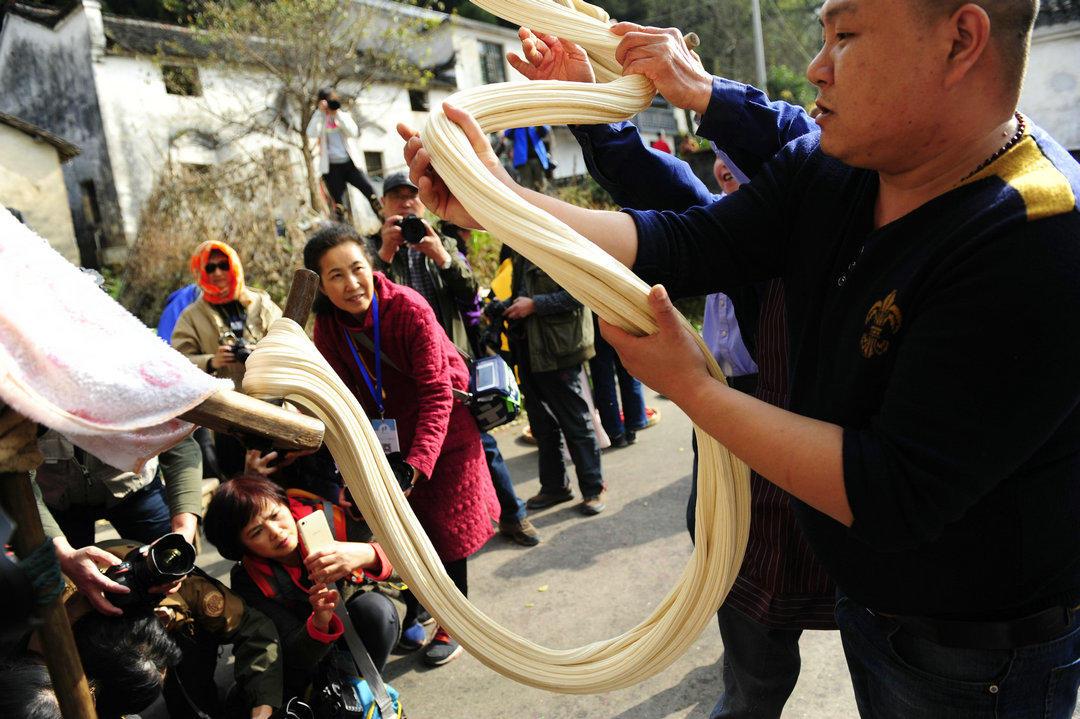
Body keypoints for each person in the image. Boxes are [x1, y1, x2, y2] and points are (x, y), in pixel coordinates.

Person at [399, 1, 1080, 714]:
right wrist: (501, 203)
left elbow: (892, 490)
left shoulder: (1035, 236)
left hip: (979, 652)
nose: (817, 68)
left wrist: (693, 388)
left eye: (844, 37)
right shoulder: (841, 167)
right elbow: (691, 241)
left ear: (960, 39)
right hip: (874, 603)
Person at [511, 28, 835, 718]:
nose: (722, 173)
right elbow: (654, 185)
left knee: (827, 592)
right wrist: (589, 104)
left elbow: (796, 145)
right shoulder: (723, 221)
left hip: (788, 435)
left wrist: (709, 94)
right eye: (718, 160)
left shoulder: (820, 215)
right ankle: (746, 694)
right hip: (723, 438)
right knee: (738, 587)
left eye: (737, 160)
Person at [304, 223, 500, 666]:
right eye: (335, 275)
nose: (351, 283)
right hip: (387, 437)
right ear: (321, 284)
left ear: (371, 265)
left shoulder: (408, 308)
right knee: (404, 534)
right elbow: (345, 401)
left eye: (356, 268)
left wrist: (416, 463)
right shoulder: (328, 328)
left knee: (447, 534)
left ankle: (455, 620)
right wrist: (354, 470)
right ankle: (417, 607)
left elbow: (438, 391)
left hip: (444, 434)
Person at [371, 172, 540, 547]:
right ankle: (428, 539)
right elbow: (364, 303)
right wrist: (383, 255)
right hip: (400, 372)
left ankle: (511, 515)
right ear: (383, 205)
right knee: (416, 452)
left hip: (450, 365)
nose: (405, 203)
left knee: (481, 444)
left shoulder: (442, 240)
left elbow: (470, 295)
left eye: (411, 196)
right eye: (395, 197)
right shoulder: (370, 251)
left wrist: (442, 256)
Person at [204, 475, 398, 698]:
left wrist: (369, 555)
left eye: (276, 515)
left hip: (362, 627)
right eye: (256, 532)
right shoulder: (248, 581)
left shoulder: (333, 518)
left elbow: (409, 570)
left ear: (286, 503)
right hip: (313, 654)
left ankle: (365, 688)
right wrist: (318, 624)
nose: (276, 532)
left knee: (375, 609)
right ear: (241, 547)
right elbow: (288, 651)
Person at [32, 431, 203, 616]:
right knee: (63, 599)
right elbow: (12, 474)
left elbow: (179, 442)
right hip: (53, 503)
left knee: (181, 578)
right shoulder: (14, 404)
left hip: (137, 489)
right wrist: (64, 554)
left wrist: (183, 531)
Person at [490, 245, 606, 515]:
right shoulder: (520, 249)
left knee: (576, 422)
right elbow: (523, 294)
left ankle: (593, 489)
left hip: (560, 351)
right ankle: (555, 487)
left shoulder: (558, 245)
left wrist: (535, 305)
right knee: (542, 425)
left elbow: (581, 294)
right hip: (530, 350)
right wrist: (507, 307)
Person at [172, 240, 283, 476]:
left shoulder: (261, 302)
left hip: (271, 406)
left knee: (282, 475)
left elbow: (288, 341)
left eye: (223, 265)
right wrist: (211, 361)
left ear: (234, 265)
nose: (218, 273)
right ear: (200, 273)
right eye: (209, 268)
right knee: (238, 481)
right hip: (225, 417)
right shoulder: (191, 316)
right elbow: (176, 363)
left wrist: (259, 352)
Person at [306, 87, 380, 219]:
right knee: (339, 206)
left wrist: (337, 113)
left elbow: (353, 132)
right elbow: (310, 133)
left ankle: (383, 220)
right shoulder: (319, 119)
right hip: (331, 168)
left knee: (371, 193)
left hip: (350, 164)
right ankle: (345, 234)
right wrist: (319, 112)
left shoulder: (342, 116)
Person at [503, 126, 552, 192]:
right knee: (527, 186)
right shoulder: (517, 128)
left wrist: (538, 122)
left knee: (541, 184)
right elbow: (507, 134)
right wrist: (516, 123)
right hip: (523, 162)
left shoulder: (535, 125)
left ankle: (542, 200)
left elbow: (544, 132)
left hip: (538, 159)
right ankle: (529, 201)